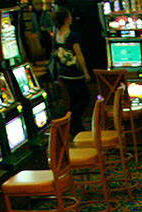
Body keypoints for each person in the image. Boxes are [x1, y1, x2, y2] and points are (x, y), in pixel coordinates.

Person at [51, 8, 90, 137]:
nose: (72, 17)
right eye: (69, 16)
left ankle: (76, 128)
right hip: (74, 72)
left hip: (63, 72)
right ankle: (72, 121)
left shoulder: (57, 34)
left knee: (74, 99)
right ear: (66, 18)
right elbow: (79, 55)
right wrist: (85, 72)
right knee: (84, 98)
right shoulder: (71, 35)